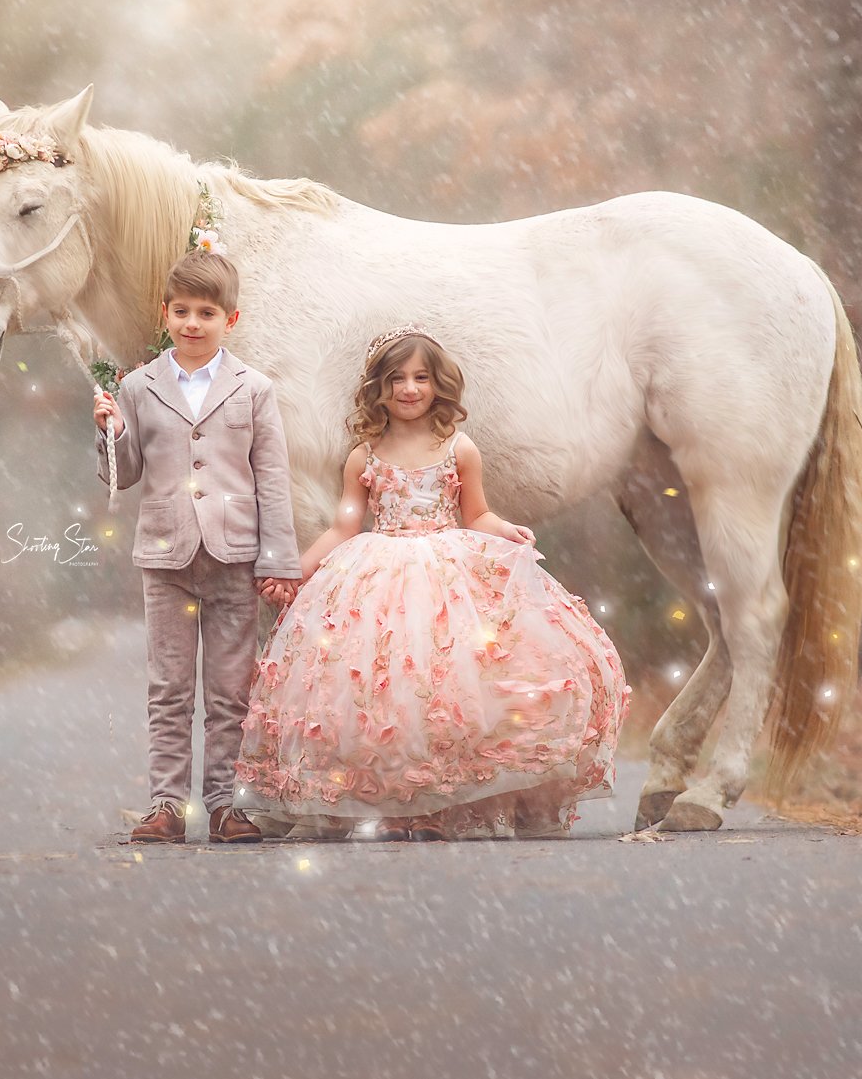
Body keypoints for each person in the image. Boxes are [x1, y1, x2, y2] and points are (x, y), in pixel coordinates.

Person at [234, 326, 630, 840]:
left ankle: (445, 807)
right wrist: (296, 568)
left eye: (421, 377)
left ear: (438, 385)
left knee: (453, 689)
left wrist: (506, 532)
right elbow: (344, 525)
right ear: (378, 388)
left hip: (448, 571)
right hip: (378, 577)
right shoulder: (365, 455)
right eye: (396, 379)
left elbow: (478, 513)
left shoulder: (458, 448)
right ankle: (395, 804)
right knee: (382, 694)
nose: (409, 389)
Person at [93, 251, 302, 844]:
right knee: (168, 687)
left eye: (206, 312)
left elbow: (273, 477)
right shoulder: (137, 386)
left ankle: (225, 804)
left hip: (235, 555)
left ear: (229, 319)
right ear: (165, 314)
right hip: (166, 556)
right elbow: (124, 474)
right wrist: (110, 433)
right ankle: (165, 803)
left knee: (232, 690)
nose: (192, 323)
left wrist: (279, 560)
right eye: (181, 311)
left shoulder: (254, 389)